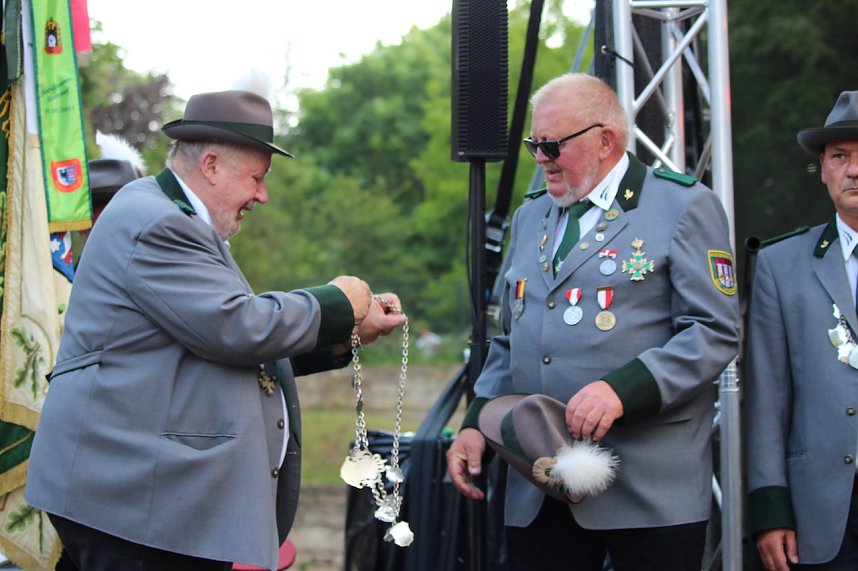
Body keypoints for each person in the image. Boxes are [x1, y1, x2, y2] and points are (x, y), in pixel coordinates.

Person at [25, 89, 407, 571]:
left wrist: (346, 332)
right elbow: (234, 327)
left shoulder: (175, 218)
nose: (262, 196)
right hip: (133, 503)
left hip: (148, 500)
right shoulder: (159, 222)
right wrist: (335, 303)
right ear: (210, 165)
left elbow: (218, 342)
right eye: (256, 178)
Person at [446, 73, 740, 570]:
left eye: (553, 144)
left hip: (648, 487)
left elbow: (714, 332)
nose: (541, 157)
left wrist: (623, 389)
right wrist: (477, 422)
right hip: (539, 481)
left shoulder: (683, 206)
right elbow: (509, 337)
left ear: (606, 140)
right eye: (534, 143)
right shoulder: (531, 215)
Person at [745, 90, 858, 570]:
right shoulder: (779, 264)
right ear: (823, 168)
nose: (854, 170)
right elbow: (767, 399)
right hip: (822, 511)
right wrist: (770, 510)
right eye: (840, 157)